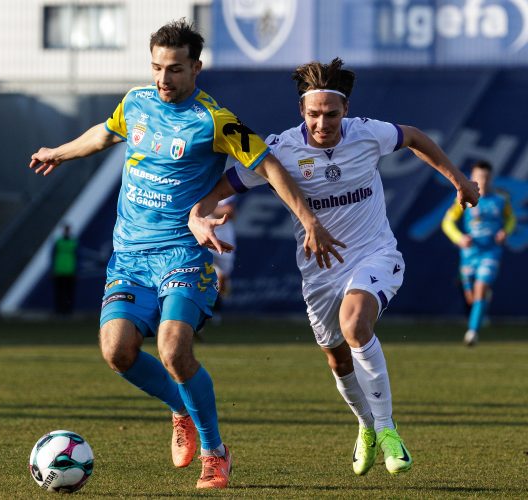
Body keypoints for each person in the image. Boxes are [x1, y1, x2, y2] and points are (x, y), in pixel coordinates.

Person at [28, 20, 342, 489]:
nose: (163, 78)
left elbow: (270, 166)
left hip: (183, 253)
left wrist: (310, 220)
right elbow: (104, 132)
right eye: (157, 67)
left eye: (174, 69)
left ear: (196, 68)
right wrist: (61, 151)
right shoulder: (136, 103)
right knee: (117, 352)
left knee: (174, 349)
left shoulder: (215, 121)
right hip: (130, 257)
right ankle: (181, 408)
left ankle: (216, 453)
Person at [189, 58, 480, 477]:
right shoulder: (283, 149)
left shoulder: (367, 134)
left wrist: (458, 180)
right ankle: (365, 425)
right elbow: (229, 184)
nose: (322, 122)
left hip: (374, 255)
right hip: (319, 273)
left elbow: (415, 137)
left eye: (331, 113)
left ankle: (388, 429)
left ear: (345, 111)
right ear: (301, 113)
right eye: (314, 114)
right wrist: (199, 211)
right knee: (337, 360)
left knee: (355, 323)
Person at [442, 160, 516, 346]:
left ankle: (472, 332)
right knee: (472, 298)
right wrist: (458, 238)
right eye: (478, 176)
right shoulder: (464, 197)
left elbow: (511, 219)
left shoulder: (500, 199)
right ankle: (481, 304)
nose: (482, 180)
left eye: (486, 176)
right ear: (472, 177)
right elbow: (448, 222)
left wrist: (505, 231)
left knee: (480, 289)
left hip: (490, 252)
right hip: (469, 254)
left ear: (491, 178)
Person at [206, 194, 238, 325]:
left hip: (224, 237)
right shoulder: (199, 180)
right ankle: (200, 311)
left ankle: (215, 310)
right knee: (204, 273)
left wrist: (207, 207)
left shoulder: (226, 184)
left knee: (222, 280)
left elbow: (229, 211)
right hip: (204, 235)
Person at [52, 223, 78, 315]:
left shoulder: (73, 242)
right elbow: (53, 256)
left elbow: (78, 256)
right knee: (60, 293)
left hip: (70, 270)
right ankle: (59, 311)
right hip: (59, 270)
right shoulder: (59, 241)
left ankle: (68, 311)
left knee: (68, 293)